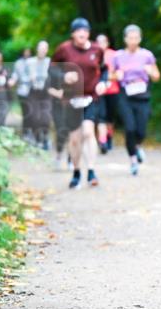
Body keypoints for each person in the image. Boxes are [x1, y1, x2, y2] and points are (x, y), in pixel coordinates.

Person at [52, 17, 105, 189]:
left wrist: (102, 82)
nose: (82, 33)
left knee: (89, 132)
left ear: (89, 33)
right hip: (71, 99)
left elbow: (104, 69)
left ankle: (91, 171)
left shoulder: (97, 50)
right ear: (73, 34)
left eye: (86, 31)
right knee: (74, 139)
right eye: (79, 31)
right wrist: (63, 77)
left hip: (90, 97)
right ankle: (76, 171)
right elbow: (51, 68)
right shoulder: (64, 49)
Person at [112, 24, 159, 176]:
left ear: (140, 39)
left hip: (142, 96)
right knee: (130, 128)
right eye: (130, 38)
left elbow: (157, 76)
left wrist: (150, 71)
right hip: (125, 95)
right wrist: (117, 75)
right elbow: (111, 75)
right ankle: (133, 160)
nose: (133, 41)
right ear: (125, 39)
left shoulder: (147, 55)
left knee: (141, 130)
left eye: (136, 38)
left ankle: (137, 146)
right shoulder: (118, 56)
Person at [22, 41, 54, 149]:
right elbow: (22, 77)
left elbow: (54, 77)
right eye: (41, 48)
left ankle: (45, 137)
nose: (42, 50)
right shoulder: (29, 62)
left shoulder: (50, 62)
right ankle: (38, 139)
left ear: (47, 50)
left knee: (45, 117)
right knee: (34, 117)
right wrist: (29, 79)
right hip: (33, 92)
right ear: (37, 49)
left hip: (45, 93)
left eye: (45, 48)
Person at [94, 33, 120, 154]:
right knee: (101, 116)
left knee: (110, 117)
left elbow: (120, 74)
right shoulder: (93, 54)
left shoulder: (114, 55)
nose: (101, 45)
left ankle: (109, 137)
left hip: (113, 91)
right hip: (99, 91)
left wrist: (108, 77)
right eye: (98, 42)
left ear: (107, 43)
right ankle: (103, 141)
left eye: (103, 42)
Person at [12, 47, 33, 140]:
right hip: (22, 91)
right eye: (25, 51)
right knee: (26, 112)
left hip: (33, 92)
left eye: (28, 52)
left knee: (33, 112)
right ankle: (26, 132)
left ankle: (31, 131)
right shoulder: (18, 63)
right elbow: (15, 74)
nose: (27, 53)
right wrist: (13, 80)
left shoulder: (34, 62)